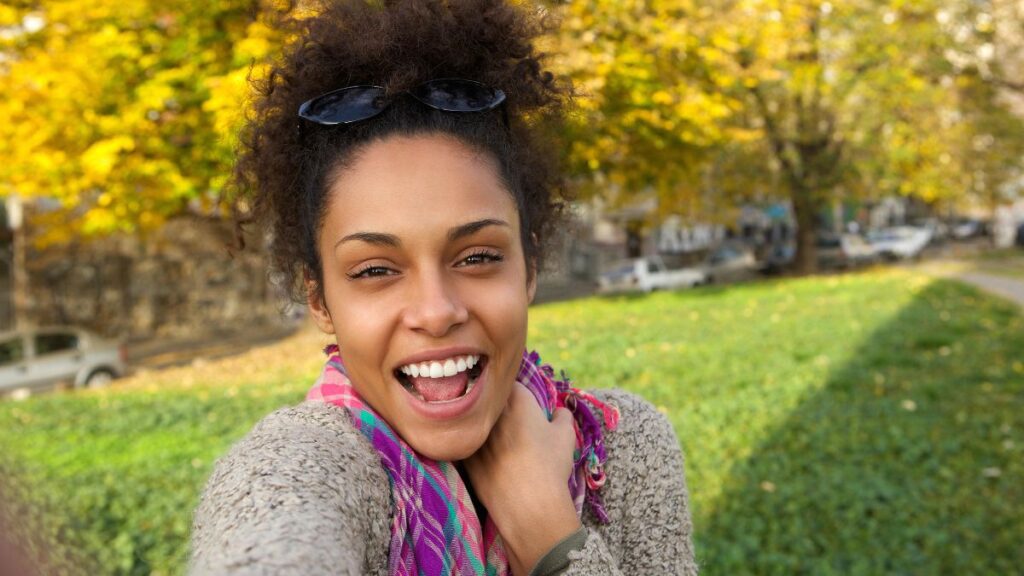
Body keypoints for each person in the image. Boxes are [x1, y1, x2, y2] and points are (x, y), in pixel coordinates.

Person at [189, 1, 697, 574]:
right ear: (319, 299)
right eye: (375, 270)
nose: (435, 312)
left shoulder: (626, 448)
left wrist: (548, 531)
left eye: (477, 256)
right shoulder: (298, 467)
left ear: (528, 266)